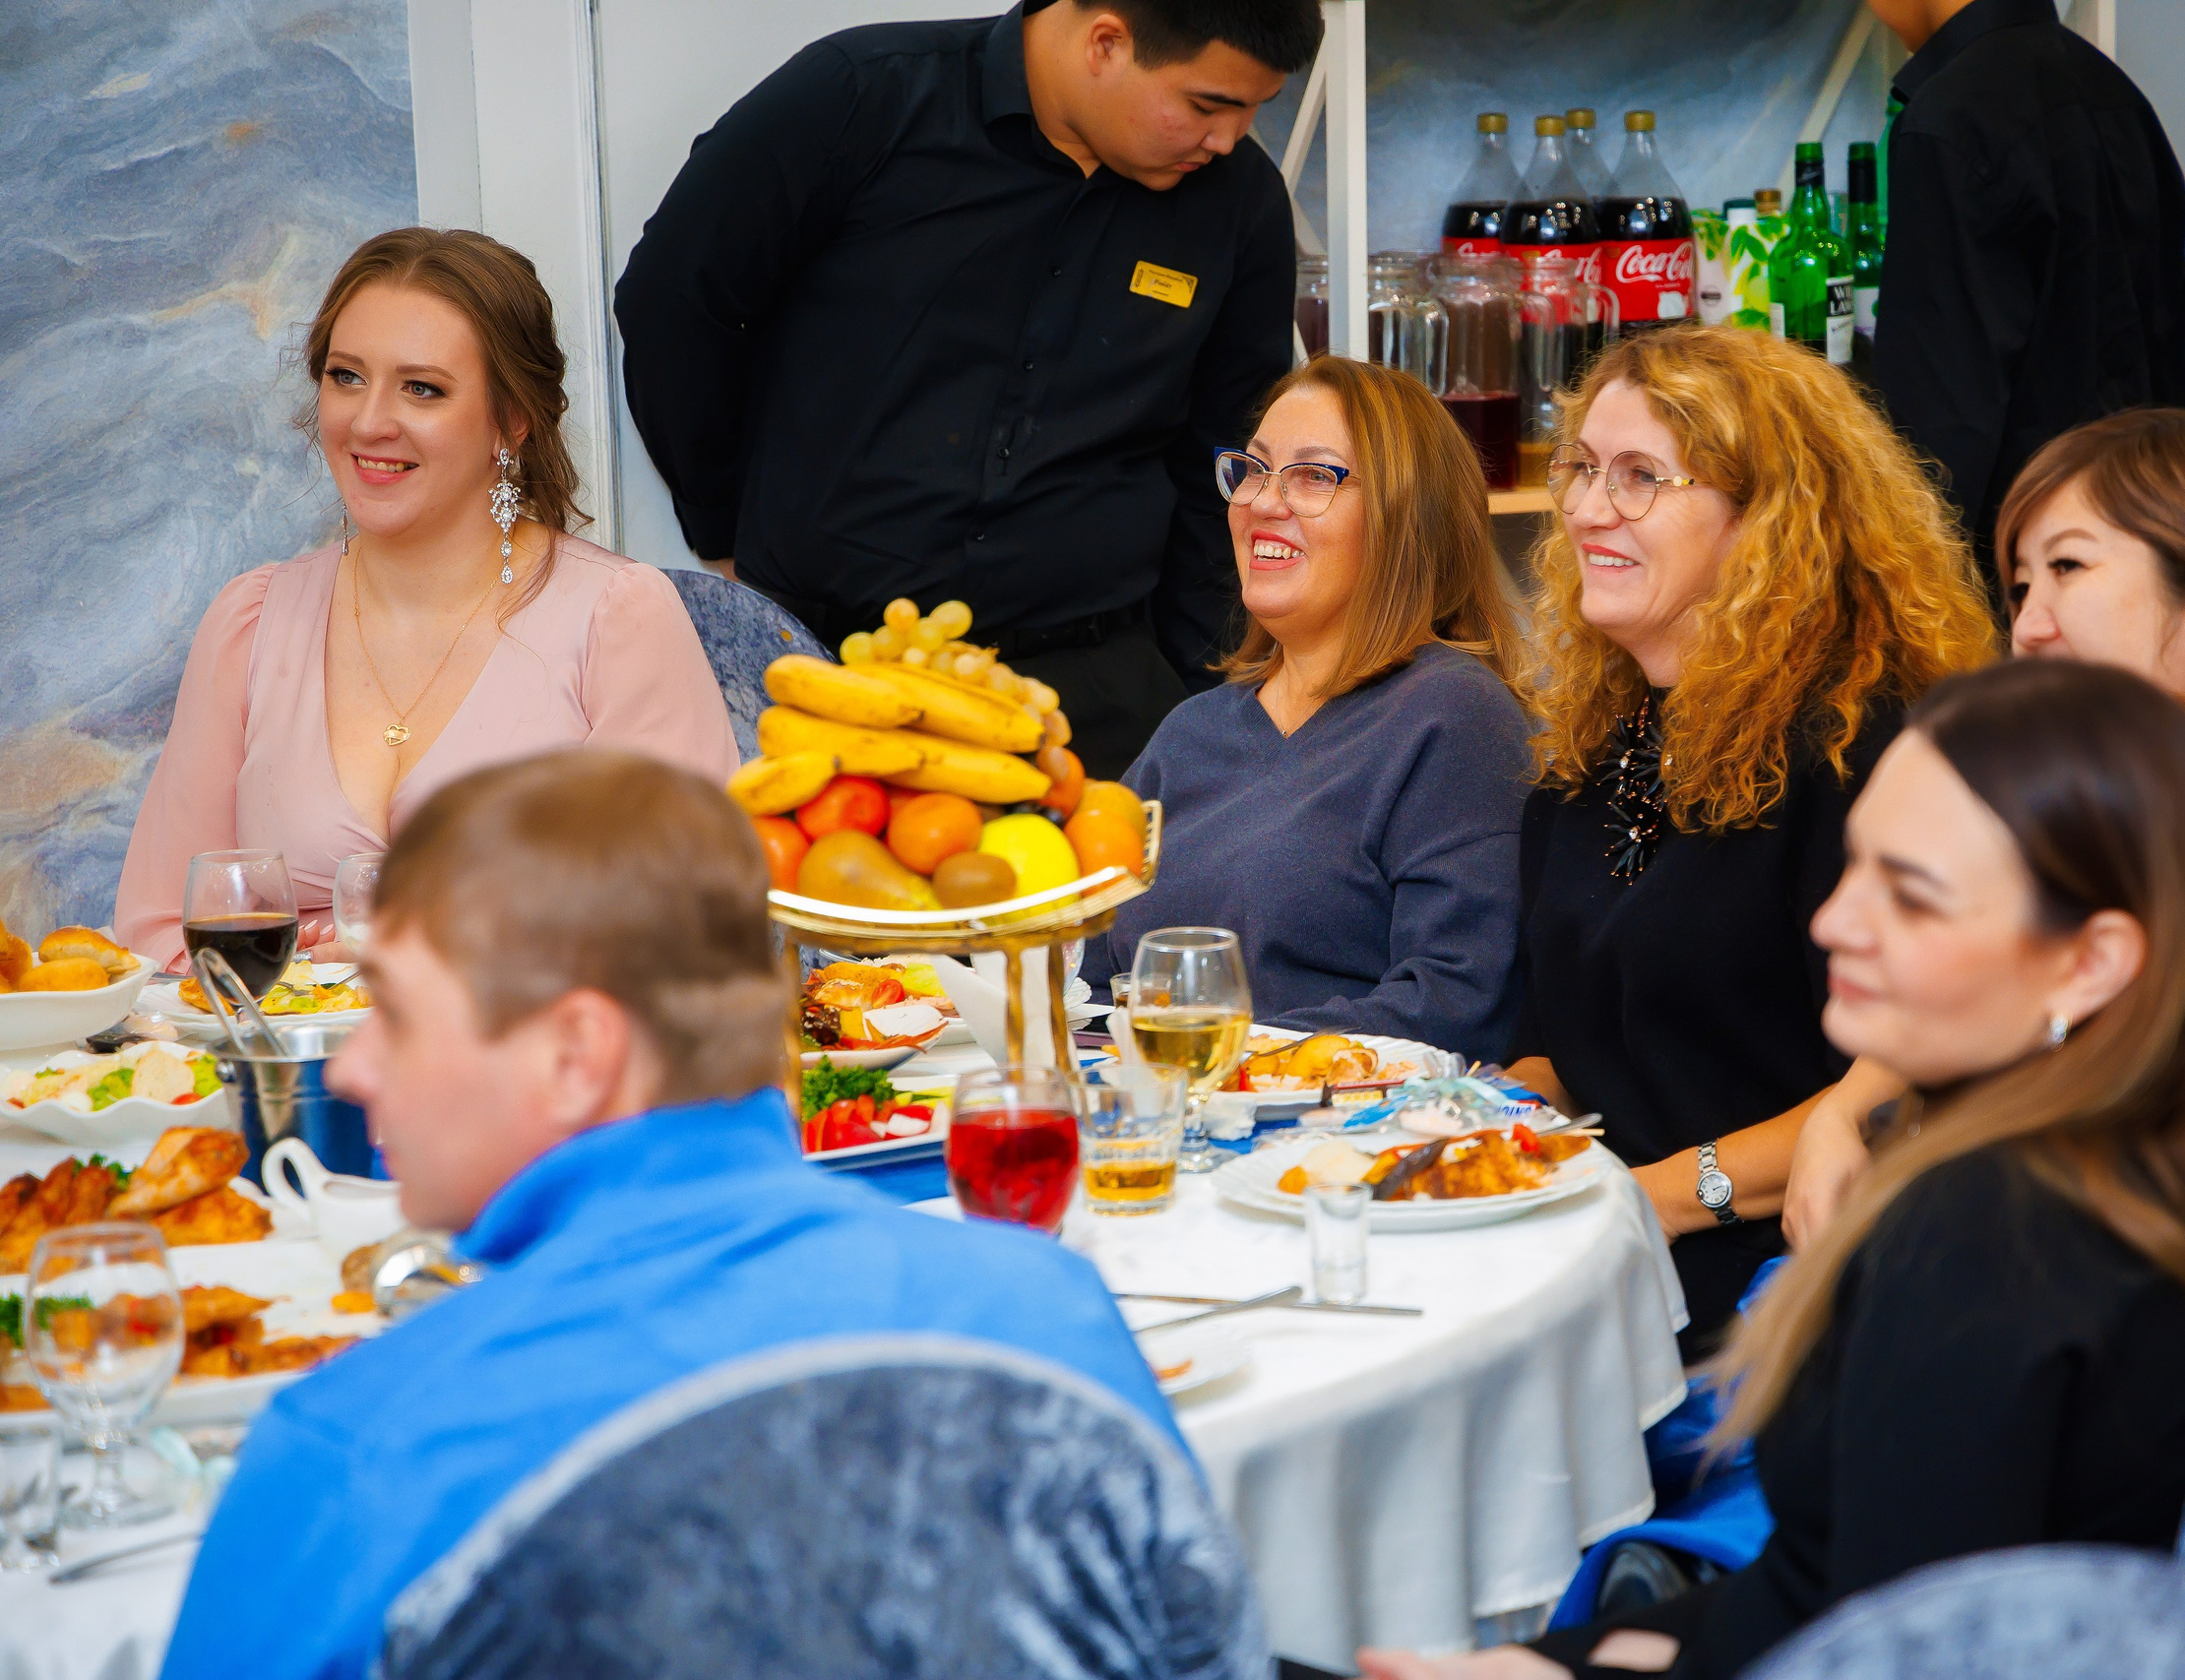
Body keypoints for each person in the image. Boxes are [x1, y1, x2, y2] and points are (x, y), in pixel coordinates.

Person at [157, 749, 1177, 1680]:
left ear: (576, 1055)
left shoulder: (358, 1452)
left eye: (394, 1010)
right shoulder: (1052, 1318)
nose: (351, 1067)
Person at [1359, 658, 2185, 1680]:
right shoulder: (2115, 1158)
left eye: (1911, 894)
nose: (1835, 920)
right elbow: (1825, 1586)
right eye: (1858, 864)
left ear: (2090, 961)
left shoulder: (1989, 1245)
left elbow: (1890, 1657)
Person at [1787, 409, 2185, 1273]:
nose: (2027, 627)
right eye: (2021, 586)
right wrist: (1841, 1113)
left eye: (2068, 567)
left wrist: (2089, 1275)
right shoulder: (2102, 835)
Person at [614, 0, 1322, 778]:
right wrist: (720, 525)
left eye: (1254, 111)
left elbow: (1225, 465)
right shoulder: (860, 95)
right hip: (820, 680)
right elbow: (674, 300)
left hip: (1093, 700)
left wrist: (1203, 704)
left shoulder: (1240, 204)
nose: (1227, 140)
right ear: (1106, 42)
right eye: (1206, 106)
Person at [1505, 326, 1995, 1360]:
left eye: (1640, 477)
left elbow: (1908, 1075)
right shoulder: (1597, 746)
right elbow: (1562, 1037)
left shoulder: (1864, 748)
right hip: (1609, 1252)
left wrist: (1649, 1200)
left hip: (1783, 1280)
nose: (1587, 509)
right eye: (1583, 469)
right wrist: (1492, 1132)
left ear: (1765, 518)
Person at [113, 228, 735, 969]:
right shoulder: (249, 622)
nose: (369, 421)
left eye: (423, 389)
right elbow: (161, 933)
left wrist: (423, 963)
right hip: (278, 1044)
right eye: (347, 376)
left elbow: (690, 931)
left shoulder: (619, 619)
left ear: (512, 419)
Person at [1080, 356, 1530, 1059]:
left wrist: (1231, 1058)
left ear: (1407, 516)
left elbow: (1457, 1001)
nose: (1263, 501)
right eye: (1254, 469)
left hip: (1341, 1119)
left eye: (1314, 476)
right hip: (1158, 1106)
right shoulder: (1189, 733)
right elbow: (1088, 973)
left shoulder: (1454, 715)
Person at [1864, 0, 2185, 588]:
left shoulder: (1948, 117)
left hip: (2018, 568)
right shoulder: (2116, 93)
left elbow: (1939, 427)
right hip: (2143, 529)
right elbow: (2168, 336)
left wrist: (1898, 595)